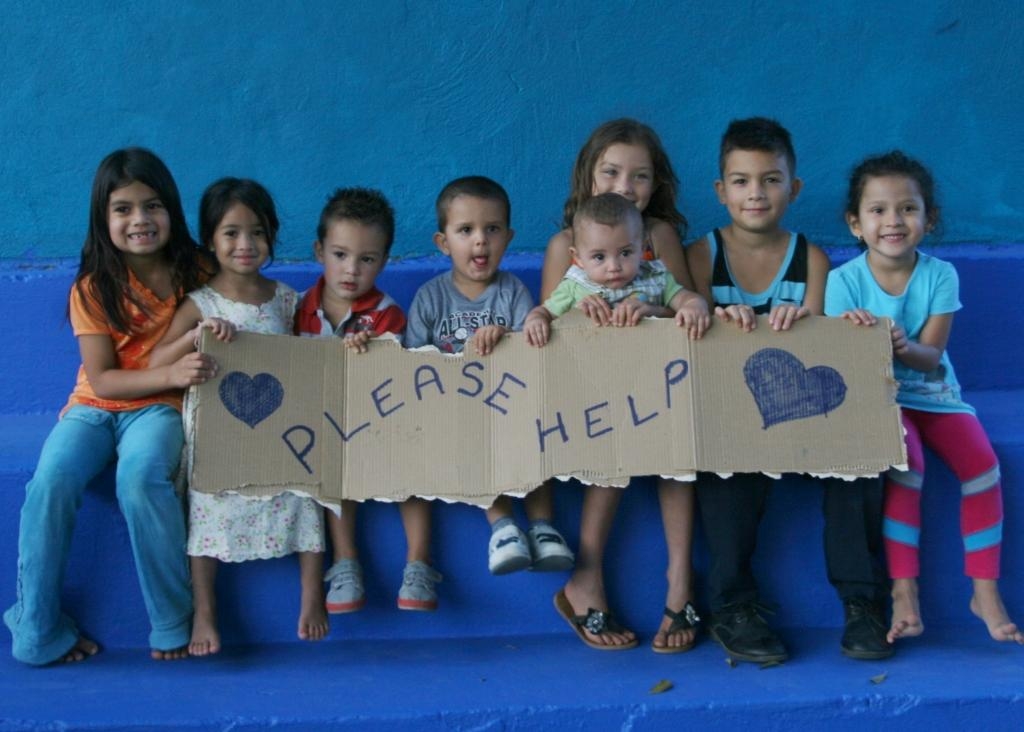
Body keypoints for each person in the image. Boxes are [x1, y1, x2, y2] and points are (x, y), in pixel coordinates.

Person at [687, 117, 891, 664]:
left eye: (772, 179)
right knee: (724, 465)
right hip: (730, 411)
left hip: (804, 410)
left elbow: (824, 346)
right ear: (721, 191)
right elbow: (691, 332)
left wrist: (805, 321)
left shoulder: (812, 260)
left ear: (794, 188)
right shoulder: (702, 255)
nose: (756, 193)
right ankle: (733, 605)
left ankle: (864, 603)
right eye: (741, 180)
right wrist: (714, 314)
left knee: (860, 459)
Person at [3, 148, 217, 665]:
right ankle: (37, 628)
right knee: (50, 482)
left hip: (160, 410)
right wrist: (168, 371)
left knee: (141, 478)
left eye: (152, 205)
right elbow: (102, 377)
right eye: (122, 209)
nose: (140, 220)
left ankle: (171, 623)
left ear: (172, 209)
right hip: (95, 406)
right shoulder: (93, 286)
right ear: (103, 218)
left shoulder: (200, 271)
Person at [826, 150, 1022, 645]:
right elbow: (837, 363)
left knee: (983, 468)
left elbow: (932, 356)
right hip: (880, 400)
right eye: (877, 210)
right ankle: (904, 591)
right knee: (907, 465)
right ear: (855, 223)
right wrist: (856, 339)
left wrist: (900, 345)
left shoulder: (940, 275)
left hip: (934, 394)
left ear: (928, 219)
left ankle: (984, 590)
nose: (893, 221)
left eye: (908, 209)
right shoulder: (842, 283)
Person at [538, 118, 703, 653]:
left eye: (639, 176)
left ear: (656, 186)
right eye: (611, 172)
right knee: (612, 445)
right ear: (588, 175)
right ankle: (586, 577)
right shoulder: (565, 244)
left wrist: (650, 306)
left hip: (663, 381)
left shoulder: (655, 238)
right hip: (593, 392)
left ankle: (681, 581)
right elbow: (548, 326)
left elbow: (685, 304)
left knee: (679, 449)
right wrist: (579, 315)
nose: (624, 186)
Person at [151, 178, 328, 655]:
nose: (245, 245)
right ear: (210, 239)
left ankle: (312, 594)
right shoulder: (200, 303)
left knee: (308, 491)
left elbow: (310, 355)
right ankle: (204, 609)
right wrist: (196, 337)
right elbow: (153, 362)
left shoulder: (288, 299)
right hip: (219, 435)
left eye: (257, 232)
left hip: (279, 428)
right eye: (231, 233)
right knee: (206, 504)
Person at [405, 175, 574, 583]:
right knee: (474, 432)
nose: (480, 241)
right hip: (454, 410)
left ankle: (542, 526)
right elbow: (413, 364)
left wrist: (505, 340)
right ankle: (502, 527)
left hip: (509, 402)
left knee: (536, 429)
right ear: (443, 242)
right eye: (466, 231)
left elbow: (531, 356)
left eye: (492, 229)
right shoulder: (430, 298)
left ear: (509, 237)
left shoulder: (513, 292)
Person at [293, 187, 433, 613]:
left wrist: (370, 349)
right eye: (340, 254)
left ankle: (419, 564)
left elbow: (394, 373)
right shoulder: (299, 309)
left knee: (413, 469)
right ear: (320, 251)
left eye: (367, 259)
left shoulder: (386, 313)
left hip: (383, 418)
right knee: (332, 468)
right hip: (331, 423)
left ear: (384, 262)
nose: (351, 269)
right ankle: (346, 561)